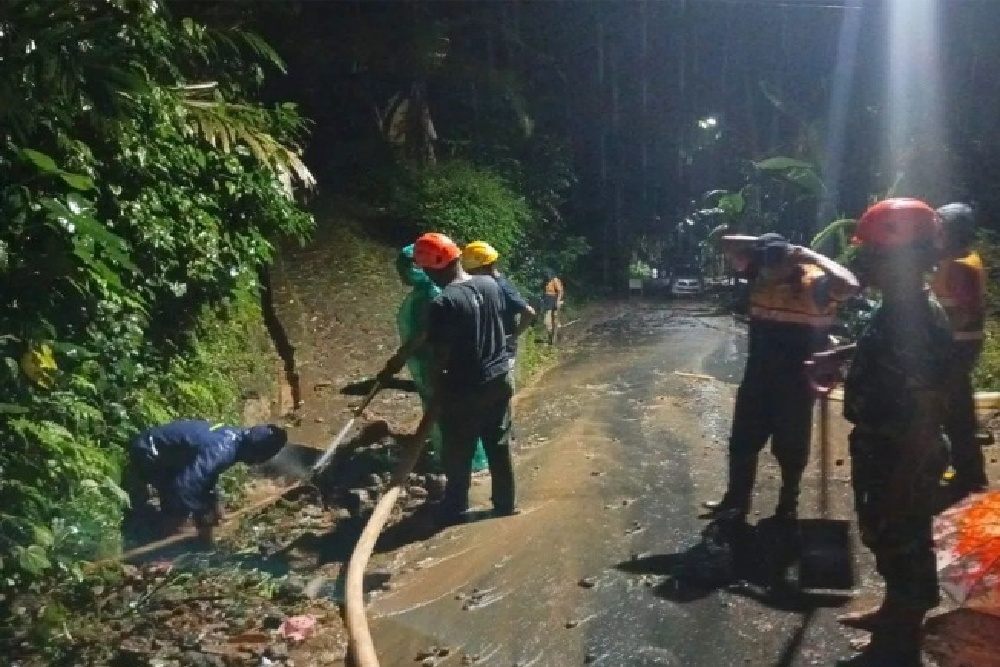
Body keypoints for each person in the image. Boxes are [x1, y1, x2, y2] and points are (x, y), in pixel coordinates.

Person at [814, 198, 952, 666]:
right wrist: (844, 355)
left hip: (903, 448)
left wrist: (903, 477)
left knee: (903, 534)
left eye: (876, 252)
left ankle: (901, 641)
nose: (867, 261)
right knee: (883, 532)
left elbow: (928, 408)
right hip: (882, 443)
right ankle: (894, 609)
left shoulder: (915, 314)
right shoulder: (899, 306)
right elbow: (891, 353)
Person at [703, 233, 859, 522]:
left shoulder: (818, 284)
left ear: (793, 262)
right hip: (758, 376)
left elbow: (850, 285)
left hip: (798, 382)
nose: (769, 273)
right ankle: (735, 501)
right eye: (765, 266)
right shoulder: (759, 271)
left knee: (791, 446)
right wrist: (766, 242)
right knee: (742, 441)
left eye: (776, 266)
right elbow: (725, 240)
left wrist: (807, 254)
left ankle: (788, 504)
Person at [396, 232, 516, 523]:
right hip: (500, 379)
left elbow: (440, 355)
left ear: (433, 268)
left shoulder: (443, 303)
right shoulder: (491, 285)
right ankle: (505, 504)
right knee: (498, 445)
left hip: (465, 388)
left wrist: (438, 388)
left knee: (457, 451)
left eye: (425, 270)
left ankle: (455, 507)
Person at [380, 244, 488, 472]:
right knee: (436, 410)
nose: (402, 275)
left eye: (405, 270)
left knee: (445, 411)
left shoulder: (433, 295)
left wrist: (399, 358)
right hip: (423, 363)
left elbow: (423, 333)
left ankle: (464, 463)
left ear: (420, 268)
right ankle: (449, 456)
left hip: (433, 363)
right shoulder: (421, 294)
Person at [123, 420, 287, 542]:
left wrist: (212, 502)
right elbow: (184, 487)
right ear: (257, 452)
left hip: (164, 451)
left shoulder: (235, 437)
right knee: (178, 511)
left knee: (196, 503)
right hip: (149, 453)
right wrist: (201, 515)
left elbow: (205, 477)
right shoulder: (223, 450)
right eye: (264, 457)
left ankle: (176, 531)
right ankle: (159, 549)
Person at [931, 202, 989, 499]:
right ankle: (967, 471)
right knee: (955, 409)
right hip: (959, 342)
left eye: (940, 227)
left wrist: (932, 324)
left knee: (955, 412)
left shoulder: (959, 265)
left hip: (956, 344)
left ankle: (969, 475)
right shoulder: (959, 259)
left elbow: (967, 310)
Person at [461, 240, 537, 388]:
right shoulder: (493, 284)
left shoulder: (501, 286)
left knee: (503, 394)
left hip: (503, 352)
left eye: (470, 271)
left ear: (479, 268)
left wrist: (514, 336)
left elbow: (529, 312)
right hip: (492, 351)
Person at [541, 267, 565, 345]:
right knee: (547, 322)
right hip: (548, 302)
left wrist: (558, 301)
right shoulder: (545, 281)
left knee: (555, 320)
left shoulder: (555, 280)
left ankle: (558, 337)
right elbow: (544, 292)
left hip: (554, 300)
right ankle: (551, 338)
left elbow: (560, 291)